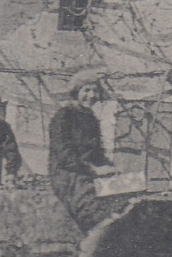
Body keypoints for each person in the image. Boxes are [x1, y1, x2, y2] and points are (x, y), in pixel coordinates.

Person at [47, 70, 124, 232]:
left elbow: (97, 153)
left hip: (89, 173)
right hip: (68, 175)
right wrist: (93, 169)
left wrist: (109, 167)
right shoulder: (64, 116)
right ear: (76, 92)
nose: (91, 95)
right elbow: (64, 155)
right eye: (86, 90)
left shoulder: (91, 118)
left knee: (122, 202)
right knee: (92, 212)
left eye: (95, 90)